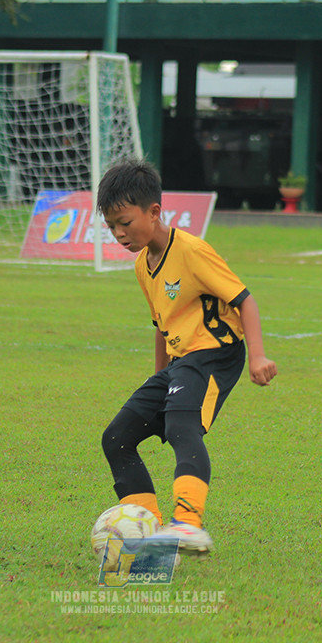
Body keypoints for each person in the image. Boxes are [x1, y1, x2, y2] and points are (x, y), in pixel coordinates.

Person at [96, 158, 277, 555]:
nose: (119, 233)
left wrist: (259, 357)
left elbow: (245, 300)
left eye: (125, 222)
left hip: (216, 353)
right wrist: (160, 379)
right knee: (117, 437)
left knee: (182, 426)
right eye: (111, 226)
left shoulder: (192, 250)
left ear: (154, 211)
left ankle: (188, 525)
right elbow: (161, 326)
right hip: (181, 362)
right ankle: (145, 525)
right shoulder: (143, 267)